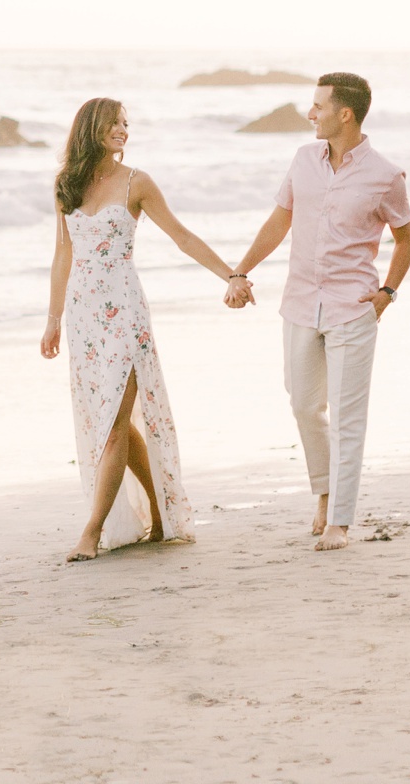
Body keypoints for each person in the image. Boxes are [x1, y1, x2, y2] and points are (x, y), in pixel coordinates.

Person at [40, 97, 248, 561]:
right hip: (82, 316)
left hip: (125, 314)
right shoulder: (66, 184)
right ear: (91, 127)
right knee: (110, 419)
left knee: (115, 422)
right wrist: (52, 319)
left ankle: (90, 532)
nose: (123, 131)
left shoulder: (138, 182)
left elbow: (182, 236)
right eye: (115, 123)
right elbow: (61, 255)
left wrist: (232, 275)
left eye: (126, 124)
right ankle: (158, 509)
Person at [231, 72, 410, 551]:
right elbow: (280, 220)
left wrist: (388, 292)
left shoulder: (385, 174)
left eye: (318, 106)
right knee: (303, 405)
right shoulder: (302, 160)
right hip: (299, 303)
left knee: (348, 417)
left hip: (352, 307)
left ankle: (339, 521)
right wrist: (241, 271)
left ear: (345, 113)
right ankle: (325, 490)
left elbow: (406, 238)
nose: (311, 114)